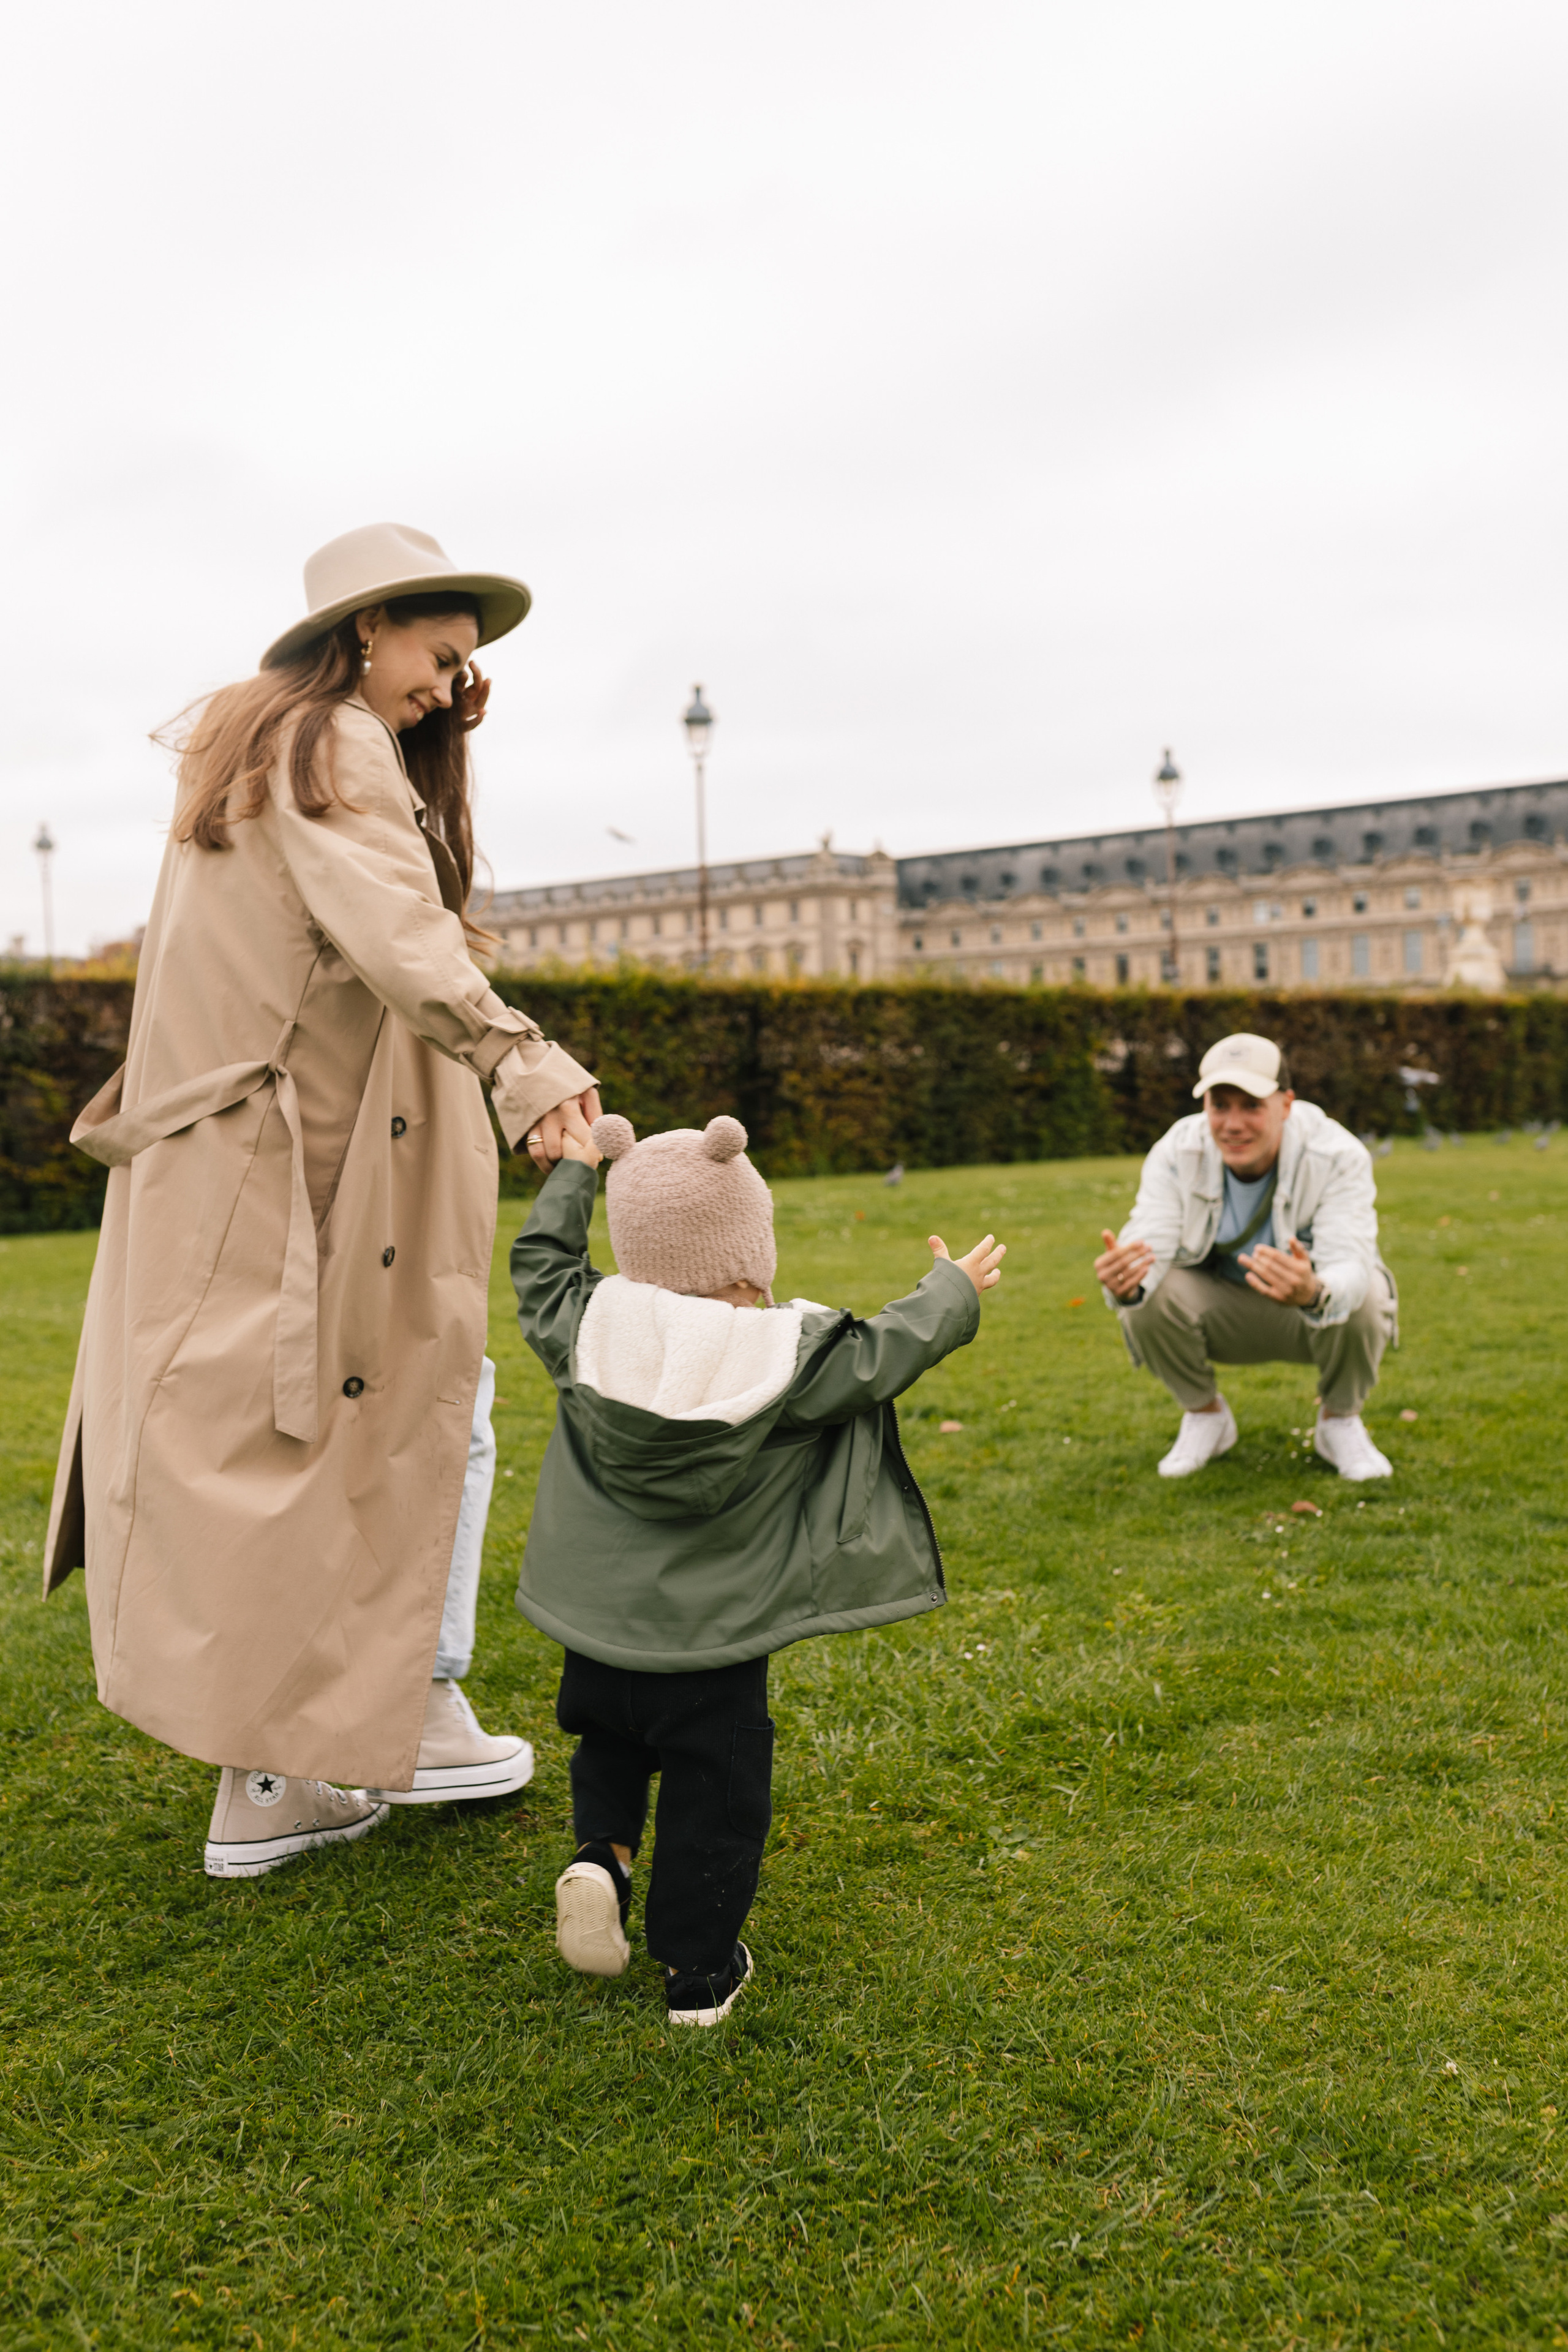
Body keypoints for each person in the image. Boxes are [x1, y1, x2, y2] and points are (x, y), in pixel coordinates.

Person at [42, 522, 601, 1877]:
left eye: (469, 671)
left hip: (244, 1161)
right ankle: (316, 1754)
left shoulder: (254, 753)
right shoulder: (334, 745)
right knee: (367, 1422)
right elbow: (401, 938)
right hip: (310, 1168)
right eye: (441, 656)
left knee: (317, 1435)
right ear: (366, 630)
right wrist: (523, 1059)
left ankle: (385, 1717)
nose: (453, 688)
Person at [510, 1110, 1005, 2025]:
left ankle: (602, 1858)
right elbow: (884, 1352)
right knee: (714, 1792)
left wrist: (576, 1175)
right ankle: (699, 1974)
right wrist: (954, 1290)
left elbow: (540, 1267)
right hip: (713, 1647)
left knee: (610, 1745)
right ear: (749, 1252)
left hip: (598, 1635)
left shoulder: (586, 1324)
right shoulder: (787, 1356)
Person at [1093, 1032, 1396, 1480]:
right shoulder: (1178, 1149)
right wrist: (1127, 1281)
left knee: (1365, 1289)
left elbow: (1349, 1259)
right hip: (1222, 1309)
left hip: (1307, 1314)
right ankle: (1206, 1415)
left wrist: (1313, 1290)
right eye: (1220, 1105)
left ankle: (1340, 1421)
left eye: (1251, 1105)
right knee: (1148, 1290)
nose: (1233, 1124)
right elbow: (1149, 1239)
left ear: (1286, 1104)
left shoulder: (1337, 1153)